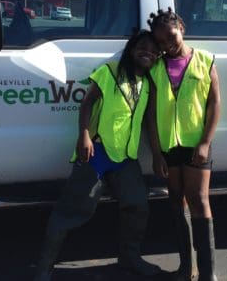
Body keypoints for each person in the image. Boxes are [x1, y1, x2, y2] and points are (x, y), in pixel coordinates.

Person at [34, 30, 162, 281]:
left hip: (125, 158)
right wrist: (83, 135)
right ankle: (43, 268)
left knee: (137, 205)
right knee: (72, 210)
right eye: (143, 47)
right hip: (96, 152)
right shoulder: (110, 72)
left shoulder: (147, 84)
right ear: (131, 49)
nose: (149, 53)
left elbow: (150, 122)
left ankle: (130, 259)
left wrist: (157, 154)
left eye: (155, 51)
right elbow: (87, 104)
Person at [146, 8, 221, 281]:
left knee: (199, 200)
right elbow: (151, 114)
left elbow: (215, 103)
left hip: (196, 145)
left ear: (182, 28)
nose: (167, 45)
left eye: (171, 37)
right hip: (169, 147)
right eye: (162, 43)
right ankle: (185, 268)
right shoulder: (155, 67)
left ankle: (208, 273)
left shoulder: (205, 60)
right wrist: (156, 153)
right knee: (176, 201)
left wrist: (205, 142)